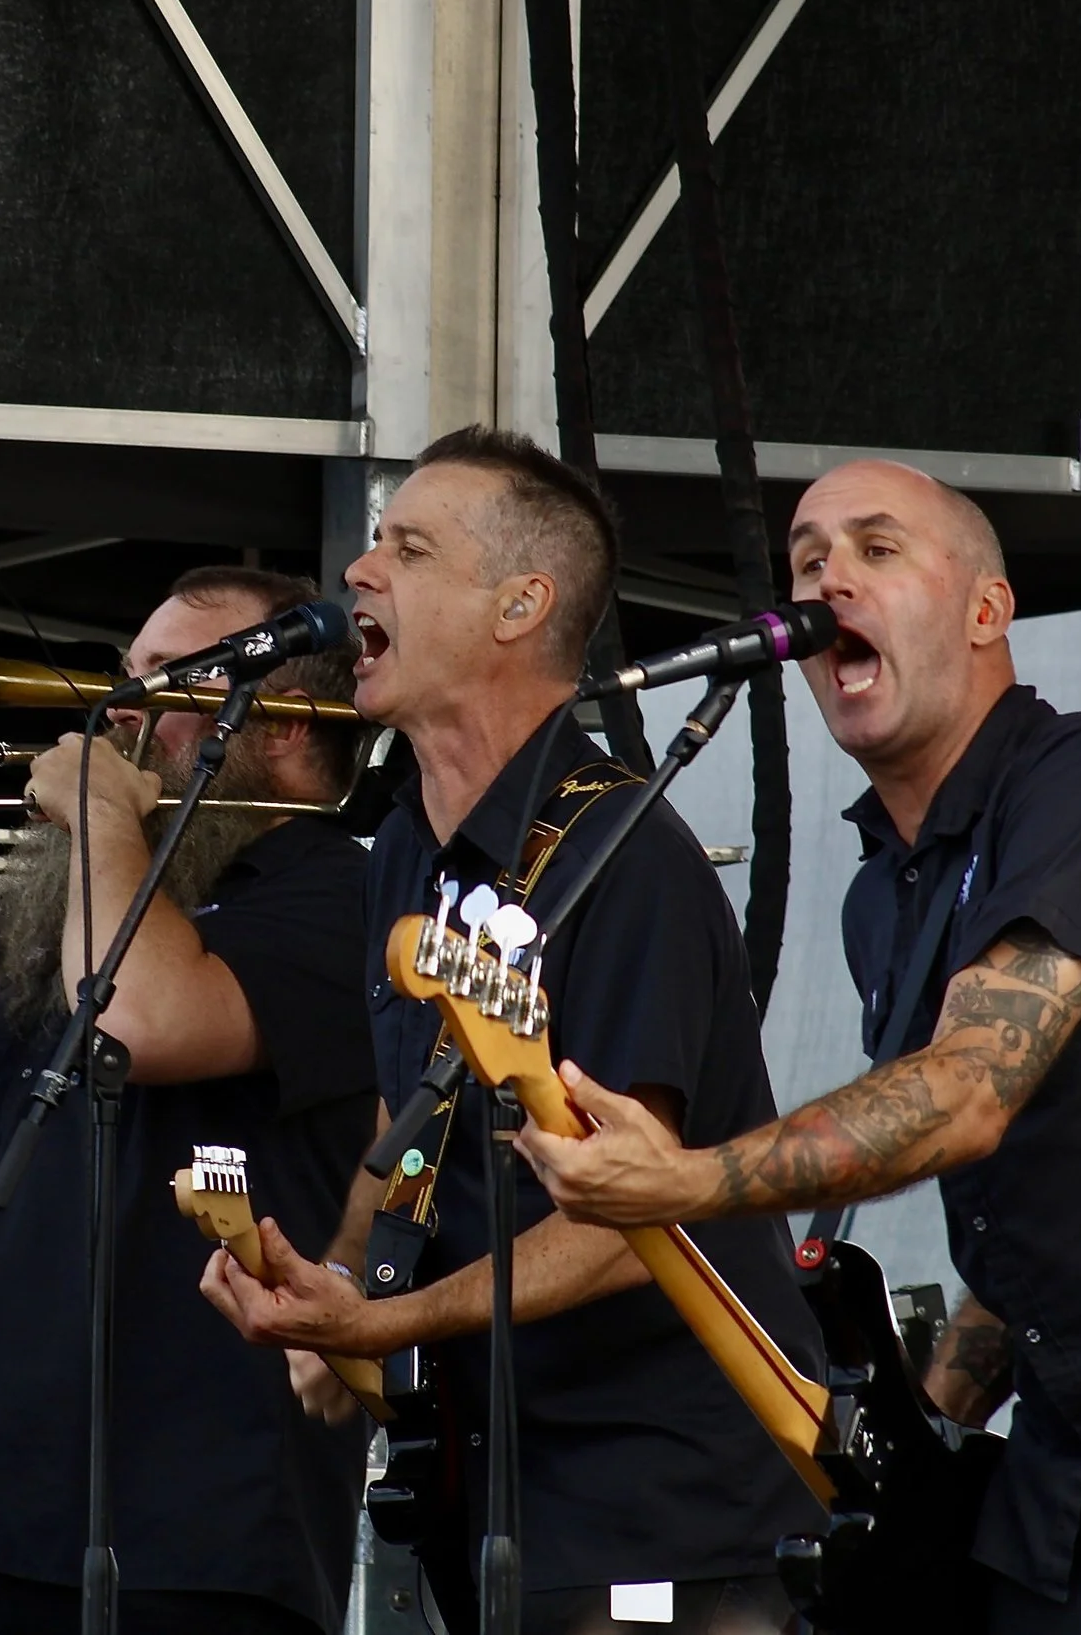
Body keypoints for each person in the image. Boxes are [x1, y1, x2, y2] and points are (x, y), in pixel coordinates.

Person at [519, 457, 1081, 1632]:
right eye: (806, 560)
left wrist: (685, 1180)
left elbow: (966, 1091)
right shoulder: (883, 897)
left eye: (877, 549)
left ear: (985, 609)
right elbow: (1035, 1208)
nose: (828, 580)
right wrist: (921, 1431)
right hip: (1065, 1503)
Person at [199, 426, 823, 1635]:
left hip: (663, 1505)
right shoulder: (401, 854)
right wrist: (340, 1281)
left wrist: (385, 1321)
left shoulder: (626, 859)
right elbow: (408, 1126)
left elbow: (628, 1219)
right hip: (497, 1493)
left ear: (519, 604)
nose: (360, 571)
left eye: (410, 549)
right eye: (373, 543)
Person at [0, 567, 376, 1635]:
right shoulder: (56, 909)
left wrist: (98, 817)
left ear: (283, 726)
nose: (115, 711)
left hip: (183, 1538)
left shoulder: (342, 899)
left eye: (167, 682)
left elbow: (138, 1021)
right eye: (125, 675)